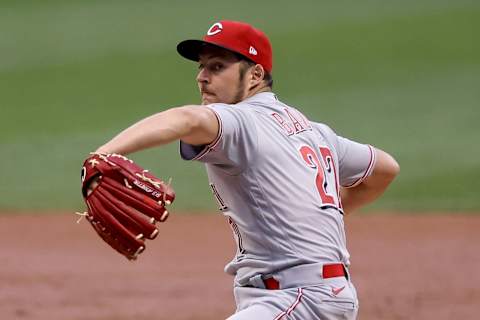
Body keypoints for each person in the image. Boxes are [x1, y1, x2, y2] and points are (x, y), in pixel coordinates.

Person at [95, 20, 399, 320]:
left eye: (216, 67)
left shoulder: (242, 121)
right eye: (201, 67)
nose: (202, 77)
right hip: (315, 296)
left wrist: (103, 154)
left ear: (255, 75)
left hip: (297, 300)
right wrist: (309, 215)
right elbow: (385, 168)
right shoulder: (315, 132)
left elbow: (187, 119)